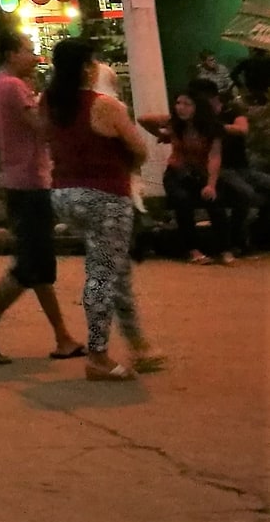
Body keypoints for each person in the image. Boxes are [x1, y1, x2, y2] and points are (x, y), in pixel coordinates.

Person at [0, 32, 83, 363]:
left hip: (15, 179)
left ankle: (63, 337)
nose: (34, 55)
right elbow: (42, 128)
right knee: (30, 266)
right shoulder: (14, 87)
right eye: (28, 50)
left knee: (37, 264)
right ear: (12, 54)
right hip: (31, 181)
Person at [47, 40, 161, 380]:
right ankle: (98, 355)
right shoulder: (106, 106)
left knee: (115, 268)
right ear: (87, 67)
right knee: (103, 274)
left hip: (65, 195)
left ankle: (140, 345)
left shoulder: (48, 103)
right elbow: (140, 150)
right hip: (105, 197)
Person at [144, 90, 229, 264]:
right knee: (182, 201)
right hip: (177, 173)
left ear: (198, 107)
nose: (181, 108)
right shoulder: (175, 124)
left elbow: (214, 157)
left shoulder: (212, 128)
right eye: (178, 103)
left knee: (215, 202)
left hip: (201, 174)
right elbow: (144, 119)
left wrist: (211, 184)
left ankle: (224, 248)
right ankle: (193, 249)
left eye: (187, 104)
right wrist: (161, 134)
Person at [198, 81, 263, 255]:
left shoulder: (231, 111)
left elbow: (242, 129)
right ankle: (238, 238)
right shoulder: (200, 117)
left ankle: (259, 233)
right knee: (246, 193)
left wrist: (217, 127)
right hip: (222, 169)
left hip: (243, 167)